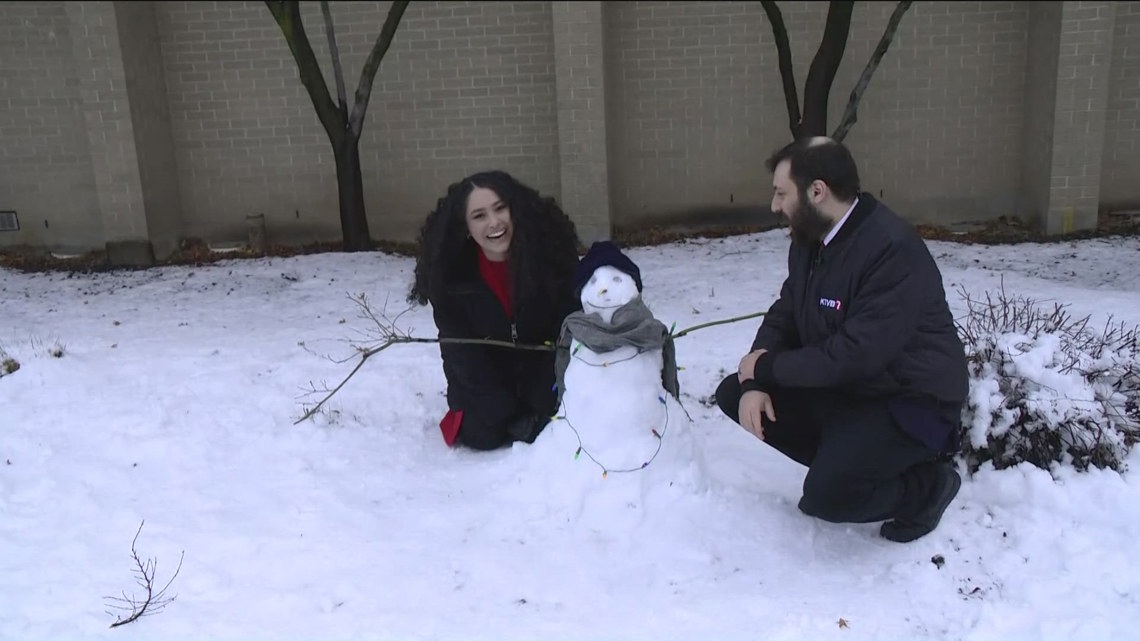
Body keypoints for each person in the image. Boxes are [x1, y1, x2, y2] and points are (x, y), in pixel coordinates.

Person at [714, 136, 969, 543]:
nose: (775, 206)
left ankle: (928, 488)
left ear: (818, 191)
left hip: (911, 403)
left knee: (826, 499)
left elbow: (856, 354)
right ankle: (846, 463)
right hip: (854, 390)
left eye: (782, 194)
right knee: (736, 394)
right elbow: (786, 314)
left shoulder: (891, 250)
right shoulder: (811, 239)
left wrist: (767, 367)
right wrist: (756, 382)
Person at [408, 170, 581, 450]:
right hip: (484, 382)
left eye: (500, 208)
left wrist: (539, 402)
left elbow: (564, 332)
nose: (494, 222)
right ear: (465, 226)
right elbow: (462, 356)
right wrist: (506, 413)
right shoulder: (451, 278)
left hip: (541, 372)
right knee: (482, 435)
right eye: (479, 216)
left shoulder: (550, 261)